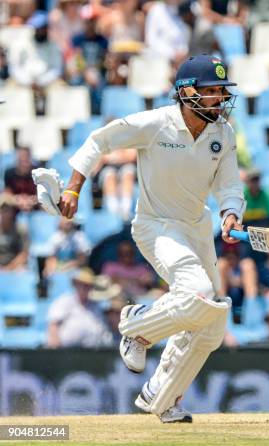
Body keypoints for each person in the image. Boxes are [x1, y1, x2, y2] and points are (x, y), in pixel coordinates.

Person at [58, 54, 244, 423]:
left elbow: (229, 186)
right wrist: (74, 190)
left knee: (212, 326)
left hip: (196, 226)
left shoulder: (221, 133)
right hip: (155, 224)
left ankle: (163, 397)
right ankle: (136, 327)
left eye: (222, 91)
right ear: (187, 92)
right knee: (198, 292)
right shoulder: (156, 123)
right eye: (212, 91)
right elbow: (99, 141)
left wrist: (230, 213)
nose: (220, 98)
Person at [47, 268, 113, 348]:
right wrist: (55, 349)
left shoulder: (97, 306)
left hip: (92, 352)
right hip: (66, 352)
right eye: (81, 284)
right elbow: (53, 326)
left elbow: (103, 330)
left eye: (87, 285)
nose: (84, 288)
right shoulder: (64, 302)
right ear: (75, 284)